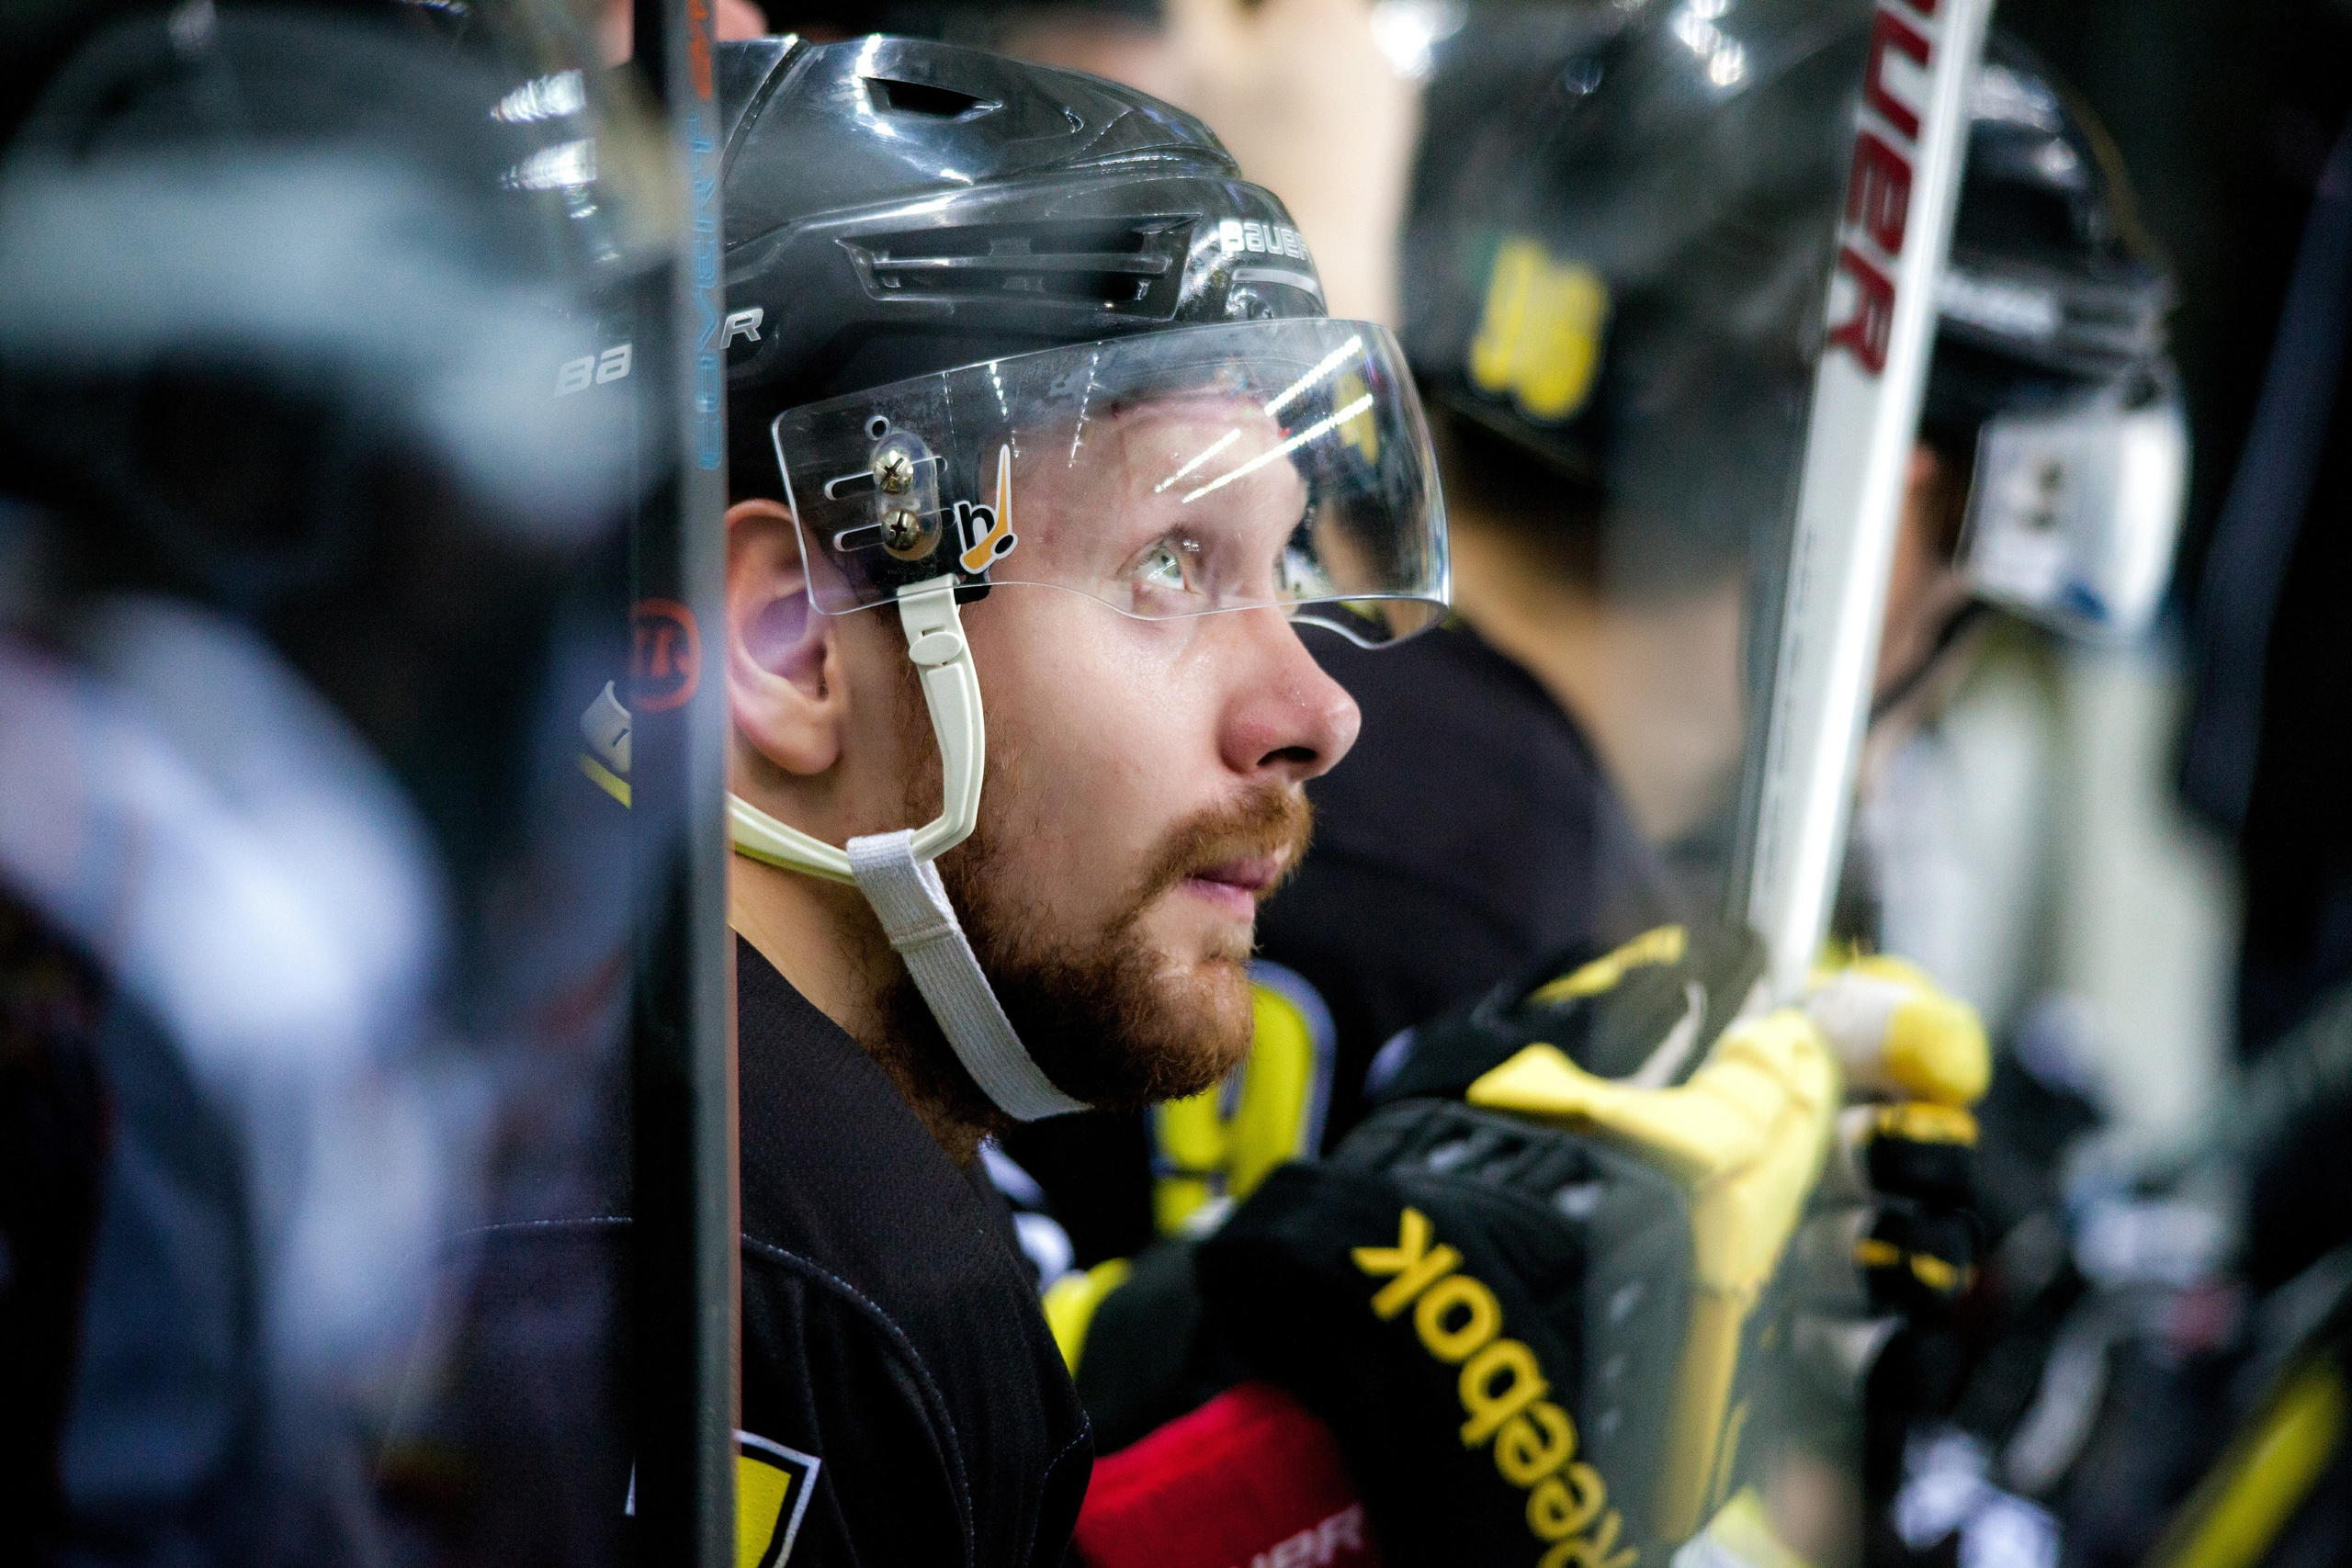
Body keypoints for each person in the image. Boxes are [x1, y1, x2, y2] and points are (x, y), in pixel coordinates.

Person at [629, 34, 1444, 1568]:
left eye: (1284, 573)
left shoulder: (662, 1139)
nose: (1319, 713)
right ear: (789, 644)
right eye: (1172, 564)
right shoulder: (814, 1271)